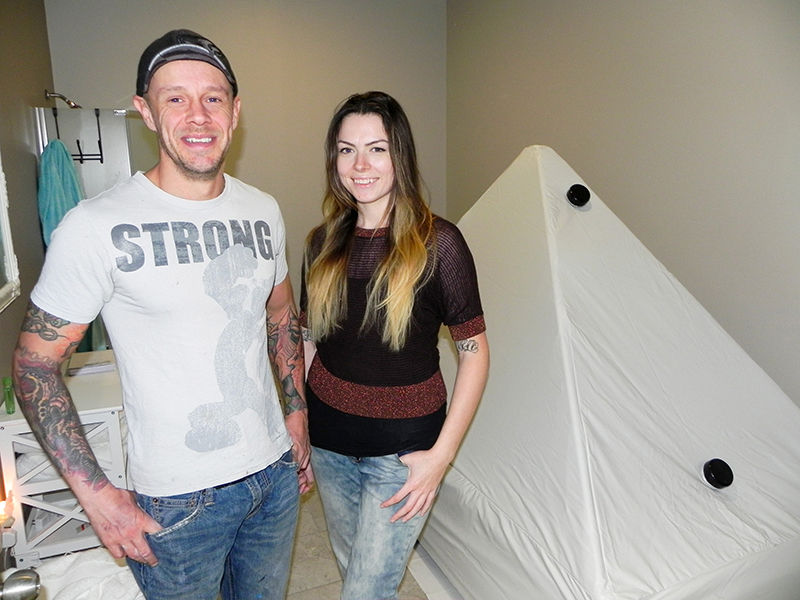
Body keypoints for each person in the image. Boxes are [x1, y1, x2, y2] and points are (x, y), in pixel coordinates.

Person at [11, 29, 311, 600]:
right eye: (176, 98)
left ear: (235, 112)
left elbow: (281, 314)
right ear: (146, 112)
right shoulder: (94, 226)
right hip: (178, 500)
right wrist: (97, 497)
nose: (198, 115)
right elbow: (33, 365)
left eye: (213, 98)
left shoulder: (263, 209)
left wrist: (295, 415)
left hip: (272, 475)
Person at [301, 91, 489, 600]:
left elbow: (474, 353)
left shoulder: (439, 243)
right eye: (346, 150)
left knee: (366, 591)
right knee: (354, 571)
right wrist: (304, 423)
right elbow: (312, 340)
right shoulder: (321, 243)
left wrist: (441, 457)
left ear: (400, 155)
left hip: (405, 453)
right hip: (329, 443)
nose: (360, 165)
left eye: (377, 149)